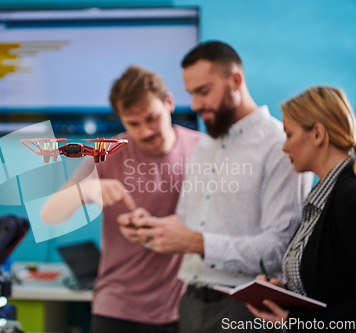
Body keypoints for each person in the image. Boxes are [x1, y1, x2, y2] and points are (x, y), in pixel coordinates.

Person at [119, 41, 312, 332]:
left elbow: (279, 249)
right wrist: (150, 228)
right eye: (190, 93)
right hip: (191, 303)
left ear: (235, 81)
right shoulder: (204, 146)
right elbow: (188, 224)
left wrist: (197, 242)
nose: (195, 105)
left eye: (203, 91)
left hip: (246, 310)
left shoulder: (279, 145)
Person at [40, 65, 202, 333]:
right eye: (133, 123)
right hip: (117, 308)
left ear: (169, 103)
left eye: (152, 118)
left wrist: (160, 226)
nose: (145, 132)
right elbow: (49, 214)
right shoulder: (110, 153)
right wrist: (88, 191)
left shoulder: (202, 150)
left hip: (181, 308)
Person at [246, 86, 356, 330]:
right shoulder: (321, 199)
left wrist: (297, 321)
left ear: (317, 134)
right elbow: (332, 283)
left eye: (289, 134)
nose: (285, 147)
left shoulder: (350, 199)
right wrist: (288, 292)